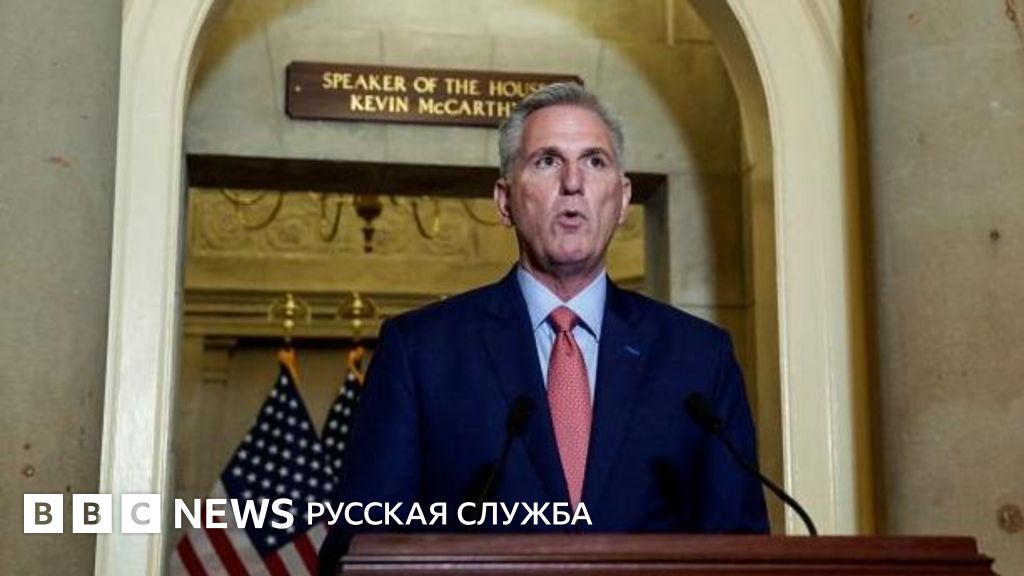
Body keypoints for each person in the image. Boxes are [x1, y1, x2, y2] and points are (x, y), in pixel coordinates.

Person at [318, 82, 768, 572]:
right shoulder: (421, 352)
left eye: (594, 161)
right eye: (547, 161)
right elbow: (358, 549)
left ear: (621, 199)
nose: (573, 182)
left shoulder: (698, 358)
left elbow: (741, 551)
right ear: (505, 201)